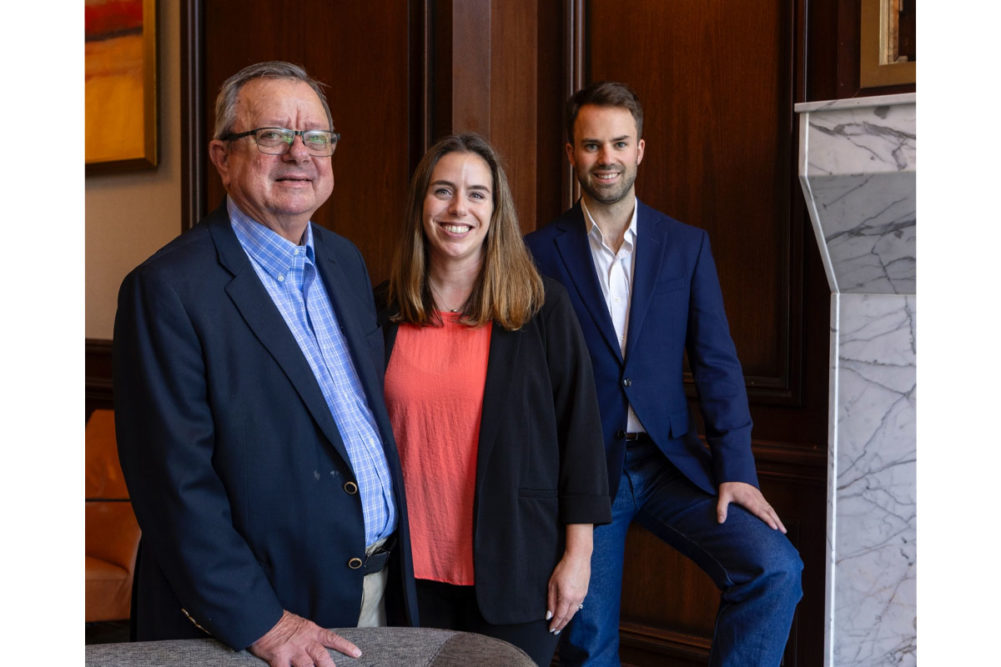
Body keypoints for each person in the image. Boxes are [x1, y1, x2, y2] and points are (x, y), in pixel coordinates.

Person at [113, 61, 418, 667]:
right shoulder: (167, 290)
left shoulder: (346, 263)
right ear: (222, 157)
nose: (299, 153)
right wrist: (267, 625)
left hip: (374, 592)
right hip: (254, 621)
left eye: (316, 137)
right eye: (273, 134)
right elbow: (175, 489)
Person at [524, 81, 804, 666]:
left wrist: (738, 470)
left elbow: (718, 364)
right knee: (586, 640)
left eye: (619, 144)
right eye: (593, 145)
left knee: (776, 568)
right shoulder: (534, 254)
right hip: (583, 476)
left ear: (640, 150)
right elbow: (523, 383)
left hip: (671, 463)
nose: (607, 159)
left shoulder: (686, 246)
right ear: (570, 153)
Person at [376, 133, 611, 665]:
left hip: (517, 568)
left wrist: (579, 557)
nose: (459, 208)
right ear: (421, 204)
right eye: (443, 191)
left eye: (477, 194)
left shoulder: (542, 307)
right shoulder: (381, 311)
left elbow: (581, 438)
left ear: (495, 210)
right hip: (407, 573)